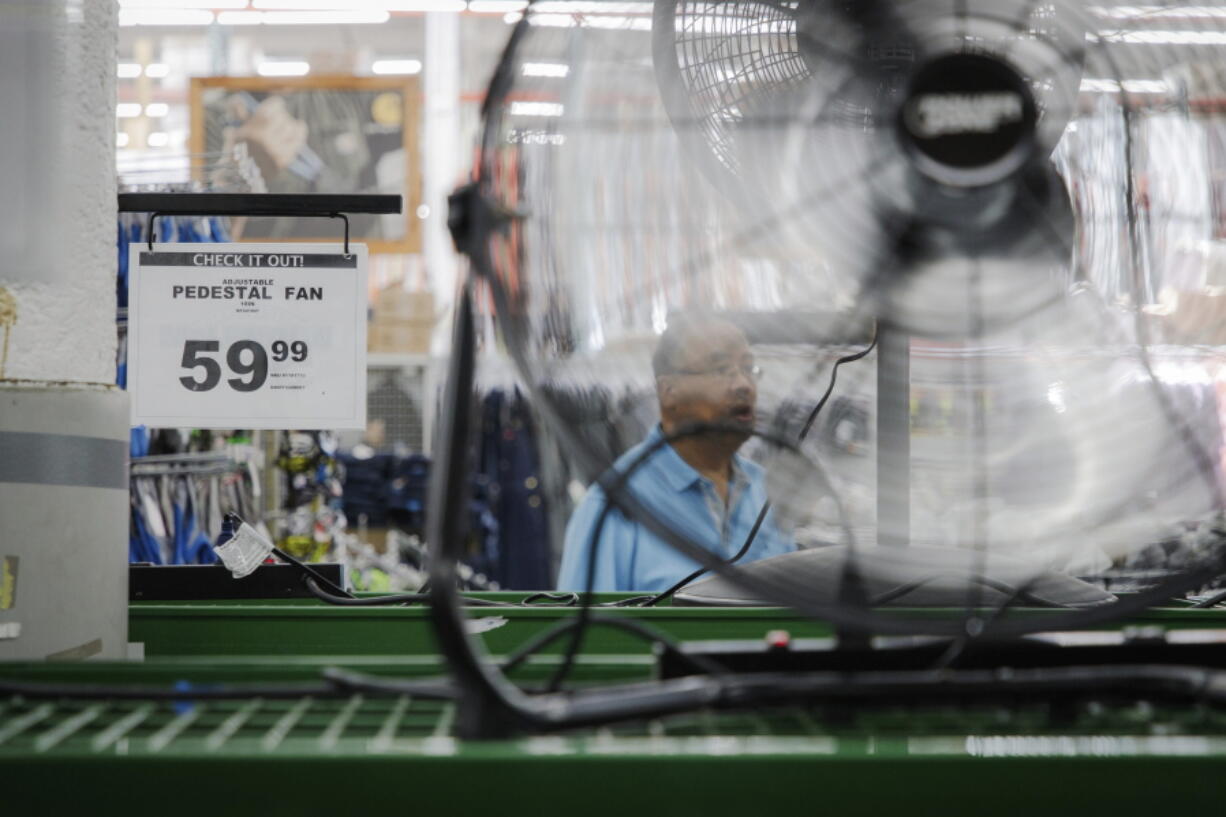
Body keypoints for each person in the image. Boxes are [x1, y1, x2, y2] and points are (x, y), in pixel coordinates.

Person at [556, 314, 794, 592]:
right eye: (721, 369)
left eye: (749, 368)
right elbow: (587, 632)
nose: (743, 385)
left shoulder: (768, 493)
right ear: (668, 391)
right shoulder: (614, 506)